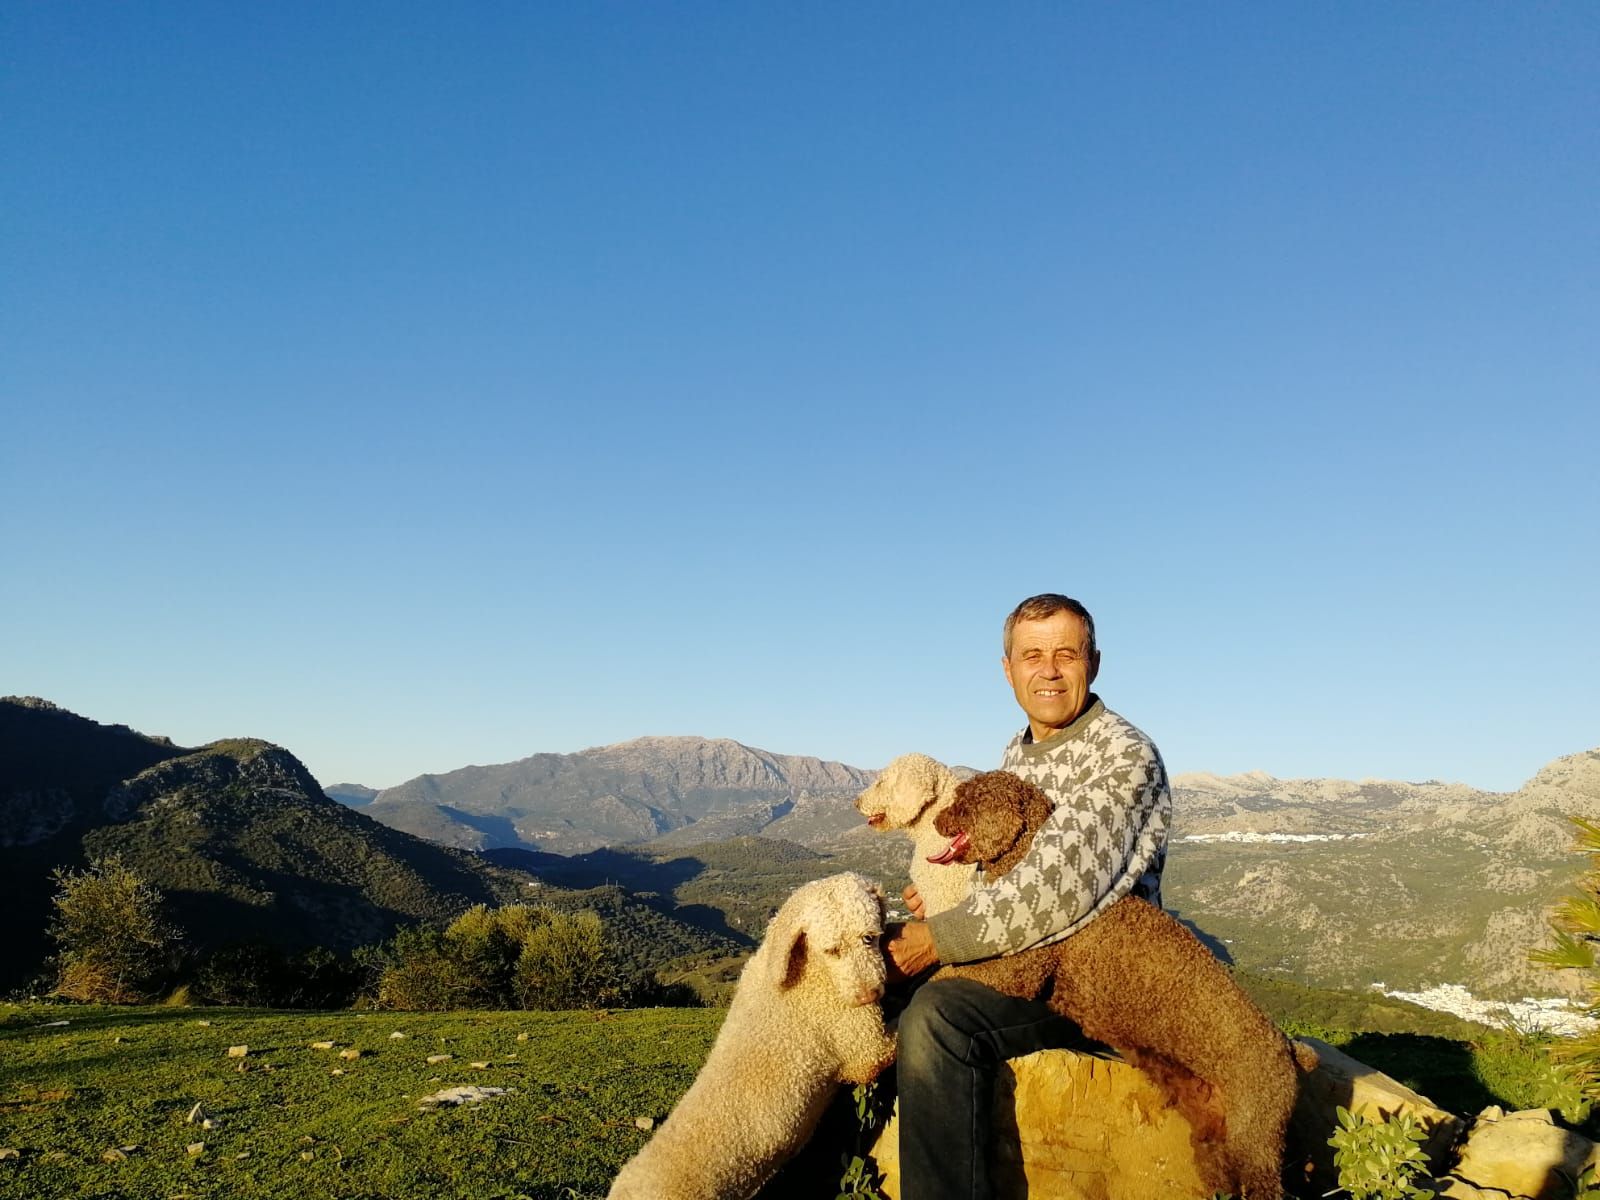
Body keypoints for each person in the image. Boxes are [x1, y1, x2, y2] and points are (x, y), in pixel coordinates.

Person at [883, 593, 1171, 1200]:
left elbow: (1055, 889)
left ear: (1094, 663)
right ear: (1007, 668)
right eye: (1032, 655)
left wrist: (938, 939)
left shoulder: (1125, 756)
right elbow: (1006, 864)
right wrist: (947, 897)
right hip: (1026, 961)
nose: (1049, 671)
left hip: (1096, 979)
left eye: (1067, 654)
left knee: (938, 1019)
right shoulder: (1018, 751)